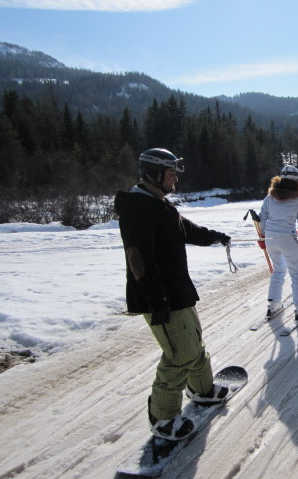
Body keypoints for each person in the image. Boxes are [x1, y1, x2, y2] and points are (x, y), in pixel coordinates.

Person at [115, 148, 232, 441]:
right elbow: (137, 258)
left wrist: (214, 236)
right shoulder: (138, 207)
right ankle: (162, 418)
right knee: (179, 355)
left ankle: (202, 389)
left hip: (177, 290)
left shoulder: (158, 203)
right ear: (154, 174)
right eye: (171, 173)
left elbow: (185, 229)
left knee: (194, 339)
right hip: (160, 297)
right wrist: (157, 301)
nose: (175, 179)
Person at [259, 165, 298, 321]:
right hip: (288, 238)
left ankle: (273, 304)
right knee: (296, 272)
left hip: (271, 239)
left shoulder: (270, 196)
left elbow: (262, 218)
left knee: (278, 270)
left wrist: (262, 235)